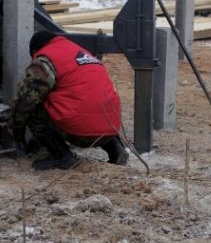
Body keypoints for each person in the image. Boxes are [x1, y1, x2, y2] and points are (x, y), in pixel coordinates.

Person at [10, 30, 129, 170]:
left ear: (36, 50)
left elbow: (24, 101)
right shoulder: (82, 53)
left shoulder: (45, 59)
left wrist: (17, 135)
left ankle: (62, 156)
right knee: (96, 102)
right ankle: (116, 149)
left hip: (79, 132)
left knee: (33, 104)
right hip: (109, 129)